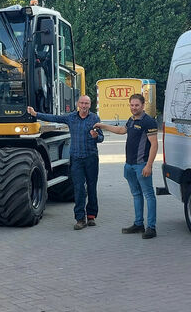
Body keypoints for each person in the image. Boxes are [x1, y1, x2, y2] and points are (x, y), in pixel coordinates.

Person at [27, 96, 103, 230]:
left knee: (91, 188)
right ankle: (80, 219)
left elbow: (101, 137)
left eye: (87, 103)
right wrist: (35, 114)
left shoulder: (94, 119)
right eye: (82, 103)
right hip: (77, 159)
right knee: (78, 188)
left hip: (91, 158)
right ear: (78, 104)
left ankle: (91, 216)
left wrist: (97, 137)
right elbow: (54, 118)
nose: (84, 106)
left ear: (90, 105)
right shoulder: (71, 117)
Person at [94, 93, 158, 239]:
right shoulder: (131, 119)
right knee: (136, 194)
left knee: (149, 195)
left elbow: (154, 145)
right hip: (129, 165)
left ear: (143, 105)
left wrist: (149, 165)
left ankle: (151, 227)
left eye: (137, 105)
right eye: (132, 105)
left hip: (142, 165)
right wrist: (103, 125)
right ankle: (138, 224)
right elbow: (122, 130)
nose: (134, 107)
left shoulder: (148, 122)